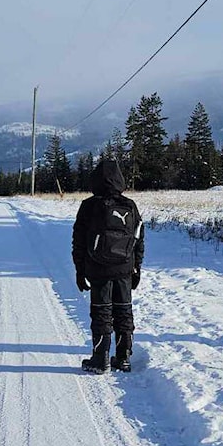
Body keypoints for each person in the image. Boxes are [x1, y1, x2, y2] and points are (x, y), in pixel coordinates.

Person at [71, 158, 145, 374]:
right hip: (124, 267)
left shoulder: (89, 206)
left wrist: (79, 269)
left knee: (101, 313)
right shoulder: (129, 205)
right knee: (124, 312)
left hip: (98, 268)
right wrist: (137, 268)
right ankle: (123, 358)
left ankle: (100, 358)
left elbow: (79, 241)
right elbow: (138, 239)